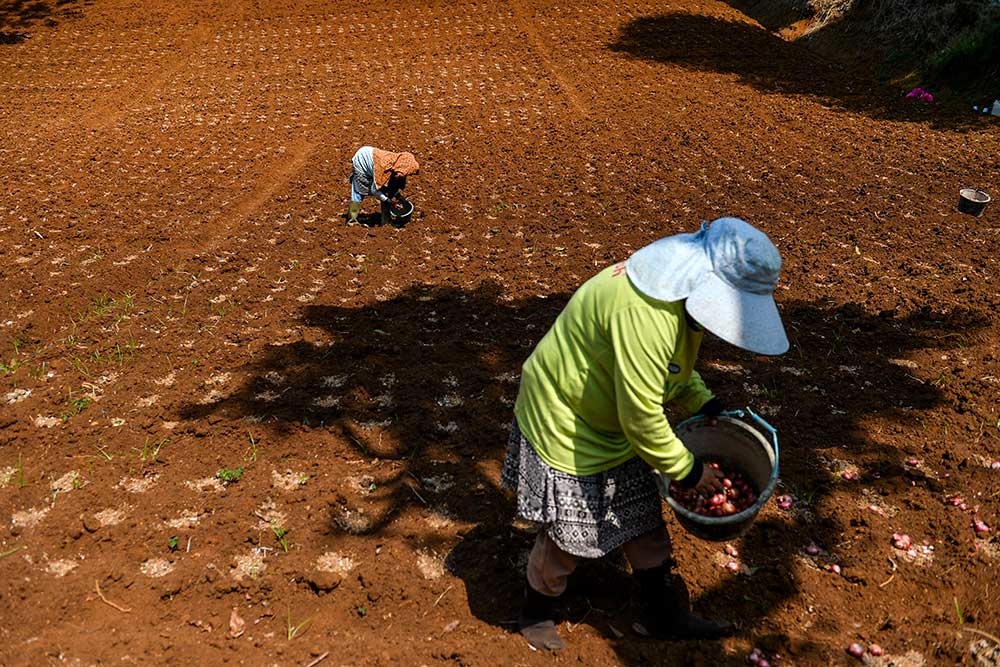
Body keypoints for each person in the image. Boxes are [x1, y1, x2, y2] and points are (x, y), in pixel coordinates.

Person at [501, 217, 789, 651]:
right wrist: (690, 472)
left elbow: (670, 372)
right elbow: (642, 418)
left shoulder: (677, 305)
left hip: (610, 414)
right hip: (566, 419)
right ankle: (534, 611)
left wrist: (703, 402)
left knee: (642, 519)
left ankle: (663, 613)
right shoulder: (646, 314)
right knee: (570, 537)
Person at [347, 146, 419, 225]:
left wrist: (398, 196)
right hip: (361, 161)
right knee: (358, 193)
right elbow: (374, 190)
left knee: (387, 190)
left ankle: (386, 221)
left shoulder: (396, 163)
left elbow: (391, 186)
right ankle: (352, 220)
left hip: (372, 159)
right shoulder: (383, 170)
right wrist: (389, 201)